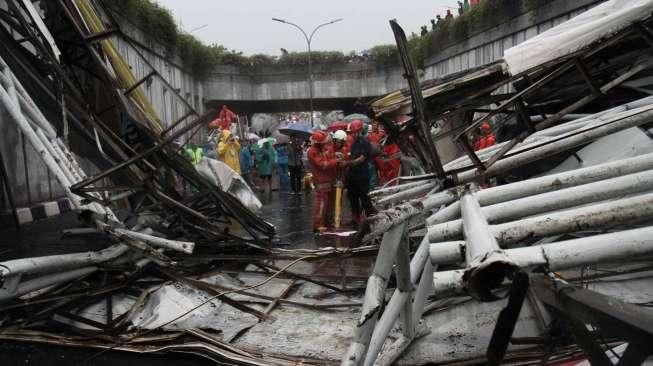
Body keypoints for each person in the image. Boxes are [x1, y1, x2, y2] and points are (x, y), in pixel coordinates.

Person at [308, 130, 341, 232]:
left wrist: (335, 155)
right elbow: (323, 165)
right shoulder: (313, 151)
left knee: (328, 204)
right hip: (321, 181)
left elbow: (327, 158)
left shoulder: (320, 149)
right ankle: (318, 225)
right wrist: (336, 161)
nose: (325, 143)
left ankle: (327, 222)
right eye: (323, 142)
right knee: (321, 204)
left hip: (328, 180)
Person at [345, 120, 377, 227]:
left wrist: (350, 163)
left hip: (362, 176)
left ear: (360, 131)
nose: (353, 134)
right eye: (352, 132)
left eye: (355, 132)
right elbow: (352, 156)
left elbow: (362, 158)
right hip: (352, 176)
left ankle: (371, 219)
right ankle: (356, 219)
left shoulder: (365, 142)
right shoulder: (354, 143)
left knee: (364, 198)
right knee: (353, 198)